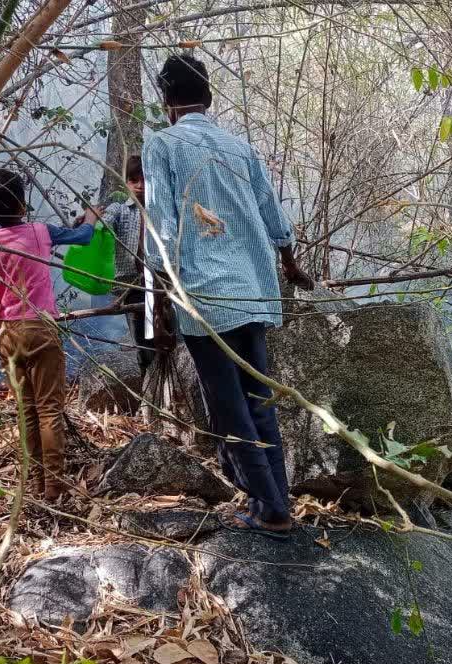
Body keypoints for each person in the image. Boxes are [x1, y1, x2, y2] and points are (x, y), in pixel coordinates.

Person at [143, 53, 313, 539]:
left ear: (166, 99)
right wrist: (290, 266)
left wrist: (161, 296)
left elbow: (161, 227)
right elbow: (273, 217)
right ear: (209, 97)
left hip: (205, 294)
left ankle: (271, 508)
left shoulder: (162, 145)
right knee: (259, 396)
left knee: (228, 403)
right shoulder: (240, 147)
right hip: (254, 289)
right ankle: (274, 497)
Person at [0, 169, 95, 501]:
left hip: (9, 334)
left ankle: (35, 484)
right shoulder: (40, 232)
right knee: (50, 409)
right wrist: (90, 219)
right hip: (41, 328)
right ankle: (53, 487)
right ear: (23, 203)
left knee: (27, 411)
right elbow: (83, 238)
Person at [82, 155, 157, 375]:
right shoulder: (121, 209)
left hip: (159, 283)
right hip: (131, 287)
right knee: (143, 340)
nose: (141, 185)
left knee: (164, 335)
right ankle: (149, 384)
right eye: (134, 180)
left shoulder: (160, 210)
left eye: (144, 179)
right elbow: (105, 219)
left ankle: (165, 384)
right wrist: (89, 220)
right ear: (126, 183)